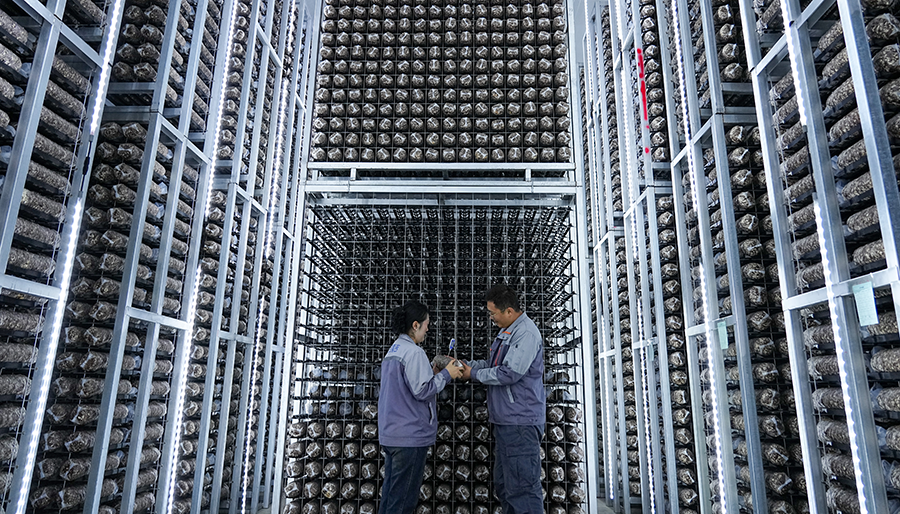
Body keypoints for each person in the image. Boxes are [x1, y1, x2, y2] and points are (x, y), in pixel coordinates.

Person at [460, 284, 546, 514]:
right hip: (508, 422)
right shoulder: (508, 331)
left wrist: (473, 374)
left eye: (492, 313)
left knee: (522, 489)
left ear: (508, 311)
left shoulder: (525, 334)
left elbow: (509, 373)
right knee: (506, 486)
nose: (491, 318)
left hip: (520, 423)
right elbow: (493, 366)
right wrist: (465, 366)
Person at [378, 300, 463, 514]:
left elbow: (406, 386)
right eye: (426, 325)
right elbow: (423, 391)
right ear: (415, 325)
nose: (427, 330)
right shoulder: (414, 352)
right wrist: (447, 374)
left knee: (390, 498)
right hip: (409, 437)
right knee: (403, 503)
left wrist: (431, 373)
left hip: (392, 434)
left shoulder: (394, 350)